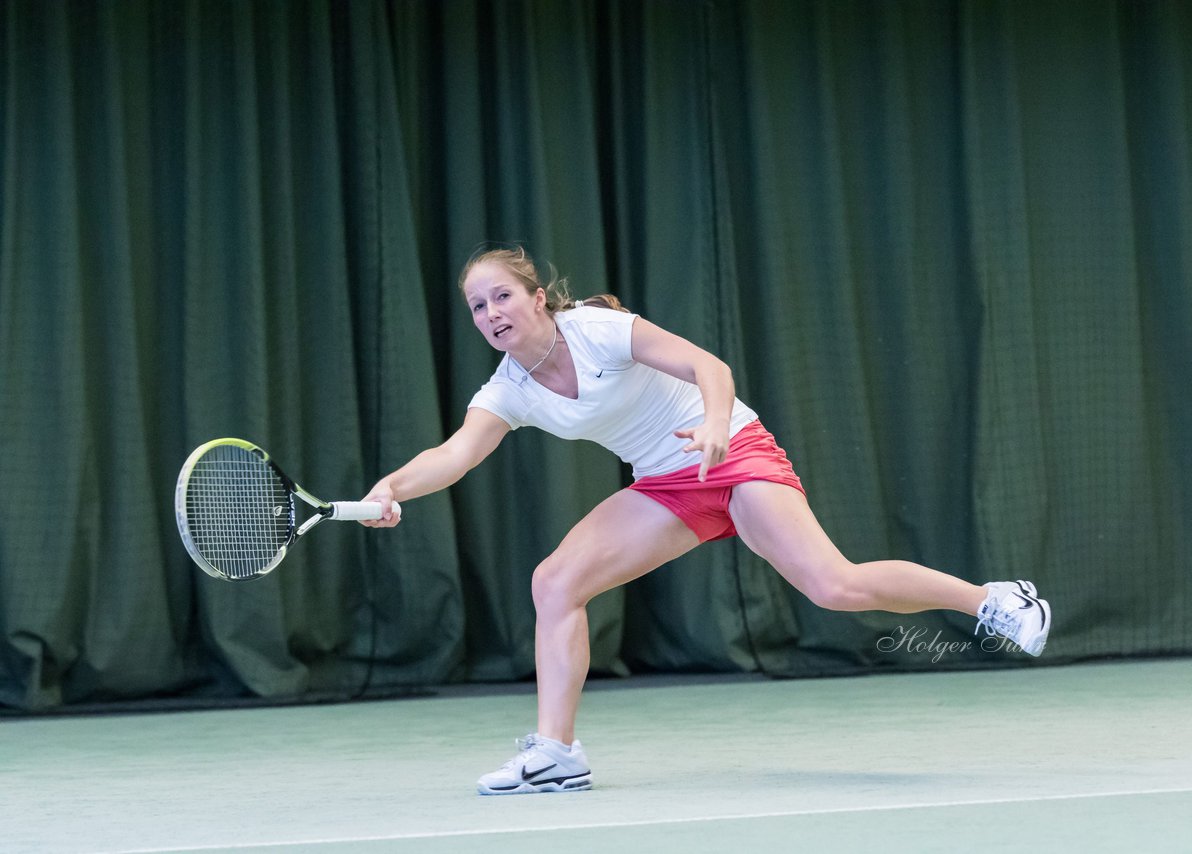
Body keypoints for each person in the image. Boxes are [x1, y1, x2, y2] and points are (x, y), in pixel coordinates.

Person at [360, 247, 1051, 796]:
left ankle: (994, 600)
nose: (490, 313)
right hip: (667, 484)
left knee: (834, 587)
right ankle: (557, 753)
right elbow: (455, 454)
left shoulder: (598, 331)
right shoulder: (508, 389)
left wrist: (716, 425)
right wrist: (392, 486)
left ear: (537, 298)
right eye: (478, 307)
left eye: (502, 296)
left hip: (731, 448)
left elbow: (706, 365)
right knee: (556, 583)